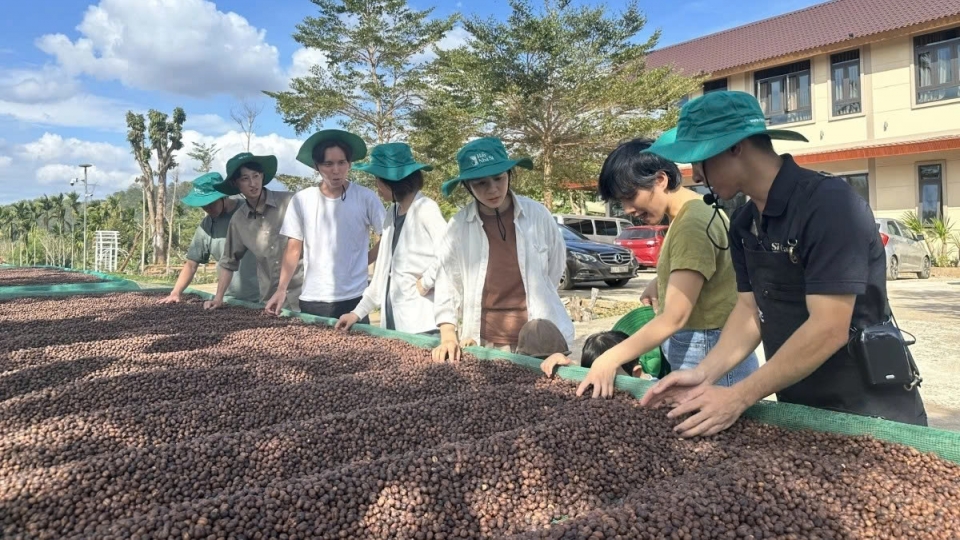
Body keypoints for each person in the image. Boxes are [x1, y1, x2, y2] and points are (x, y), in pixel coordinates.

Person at [640, 90, 927, 437]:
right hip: (797, 403)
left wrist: (739, 396)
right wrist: (704, 373)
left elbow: (828, 327)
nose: (697, 176)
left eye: (699, 161)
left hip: (868, 410)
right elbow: (749, 310)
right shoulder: (745, 223)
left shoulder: (829, 205)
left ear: (735, 146)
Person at [575, 137, 759, 398]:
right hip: (709, 348)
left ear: (660, 180)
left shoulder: (691, 223)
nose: (628, 209)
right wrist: (660, 281)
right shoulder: (690, 212)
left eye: (630, 197)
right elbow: (706, 270)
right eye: (620, 202)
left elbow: (675, 317)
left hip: (708, 351)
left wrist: (610, 358)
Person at [431, 137, 574, 362]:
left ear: (509, 175)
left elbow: (554, 269)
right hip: (488, 340)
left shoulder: (537, 215)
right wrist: (448, 334)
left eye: (499, 178)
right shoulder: (458, 226)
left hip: (541, 340)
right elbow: (448, 283)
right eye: (480, 183)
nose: (493, 189)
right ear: (467, 186)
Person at [265, 129, 385, 320]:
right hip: (314, 297)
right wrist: (281, 289)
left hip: (355, 298)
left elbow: (387, 235)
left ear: (349, 164)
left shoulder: (366, 198)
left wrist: (364, 261)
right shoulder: (302, 200)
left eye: (341, 162)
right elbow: (293, 249)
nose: (336, 170)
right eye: (328, 164)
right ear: (316, 166)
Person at [333, 143, 448, 334]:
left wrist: (426, 282)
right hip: (394, 324)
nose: (377, 187)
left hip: (423, 323)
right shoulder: (391, 213)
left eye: (378, 180)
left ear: (393, 181)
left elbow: (450, 251)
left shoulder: (426, 208)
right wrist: (356, 313)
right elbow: (381, 274)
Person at [203, 152, 303, 311]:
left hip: (305, 294)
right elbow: (228, 262)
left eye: (256, 176)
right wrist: (218, 298)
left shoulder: (291, 202)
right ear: (236, 184)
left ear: (262, 176)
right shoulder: (238, 221)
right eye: (245, 179)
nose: (252, 183)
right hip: (271, 300)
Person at [160, 172, 259, 304]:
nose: (207, 209)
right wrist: (176, 292)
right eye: (203, 205)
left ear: (223, 197)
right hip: (230, 299)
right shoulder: (208, 225)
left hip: (264, 297)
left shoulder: (251, 211)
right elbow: (191, 264)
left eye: (211, 203)